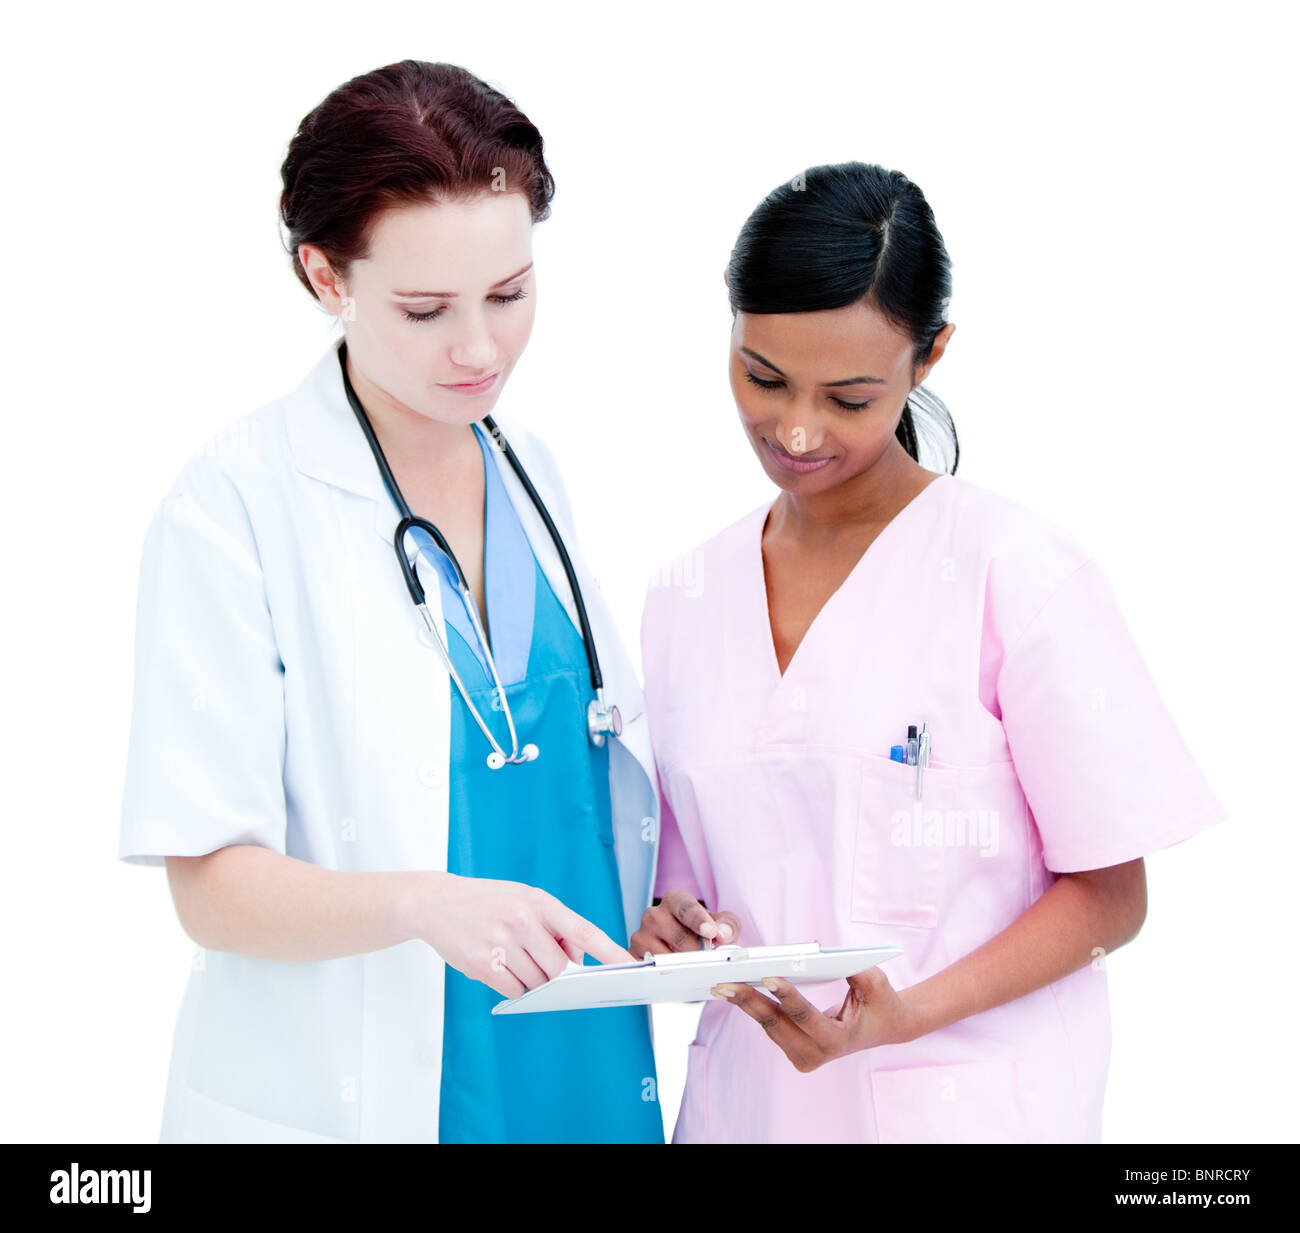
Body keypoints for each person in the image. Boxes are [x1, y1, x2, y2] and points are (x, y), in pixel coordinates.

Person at [119, 59, 663, 1144]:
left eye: (510, 295)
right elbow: (210, 884)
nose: (479, 349)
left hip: (577, 1057)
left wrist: (662, 903)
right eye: (425, 309)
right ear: (325, 275)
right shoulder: (233, 507)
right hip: (379, 1081)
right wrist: (420, 903)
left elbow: (570, 781)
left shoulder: (532, 473)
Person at [632, 161, 1225, 1143]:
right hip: (748, 1111)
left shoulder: (1016, 573)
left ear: (929, 355)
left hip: (962, 1107)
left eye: (850, 396)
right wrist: (671, 917)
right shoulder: (681, 597)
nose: (797, 429)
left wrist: (908, 1014)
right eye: (763, 377)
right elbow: (686, 873)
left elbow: (1112, 899)